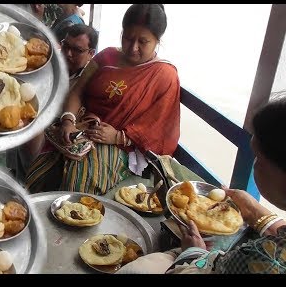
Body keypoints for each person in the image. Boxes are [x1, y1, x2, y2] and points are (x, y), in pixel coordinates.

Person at [119, 94, 286, 274]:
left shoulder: (267, 260)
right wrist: (256, 212)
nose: (255, 166)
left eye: (258, 158)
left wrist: (194, 252)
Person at [25, 4, 180, 195]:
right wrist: (68, 121)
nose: (133, 48)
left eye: (143, 42)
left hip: (120, 147)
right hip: (82, 128)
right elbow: (78, 92)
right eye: (128, 38)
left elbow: (160, 130)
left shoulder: (164, 75)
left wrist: (117, 136)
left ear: (157, 41)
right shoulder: (106, 56)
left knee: (78, 179)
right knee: (39, 174)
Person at [6, 24, 98, 183]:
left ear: (91, 53)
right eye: (66, 46)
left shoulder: (92, 78)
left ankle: (29, 180)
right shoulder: (49, 63)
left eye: (77, 50)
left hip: (63, 132)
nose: (68, 53)